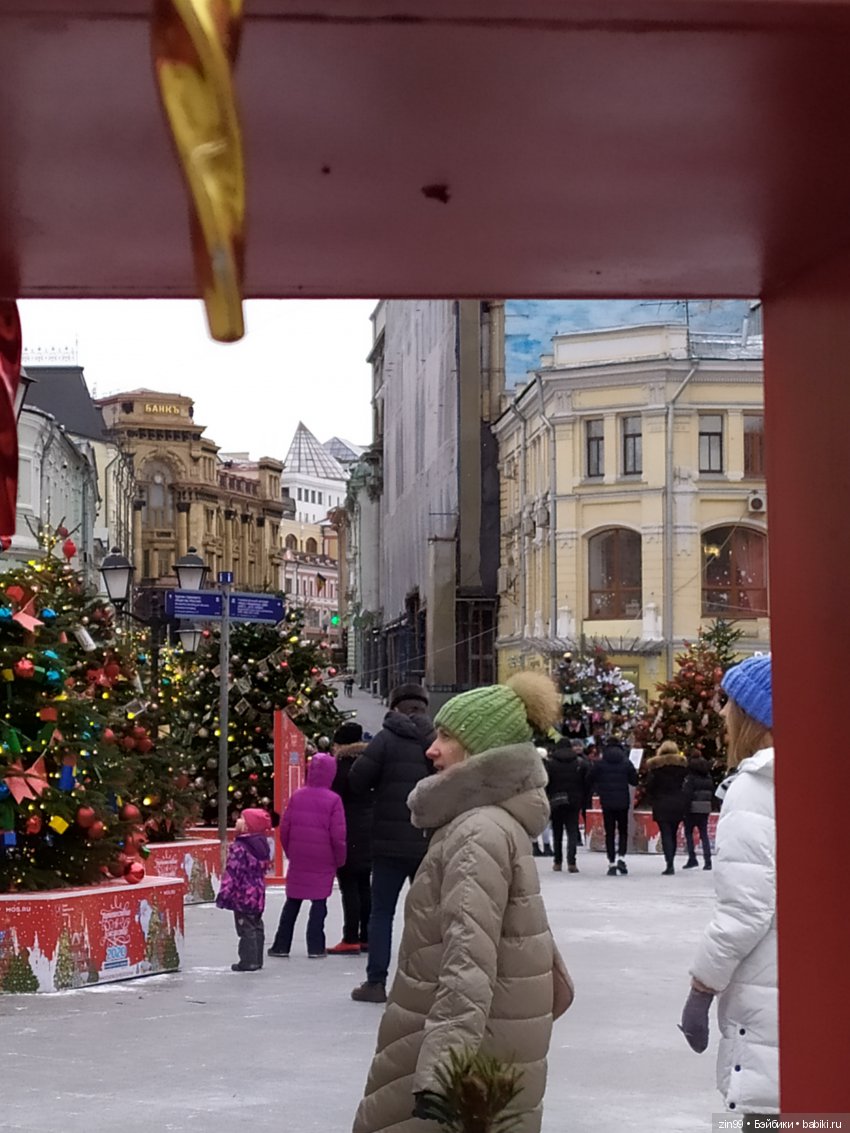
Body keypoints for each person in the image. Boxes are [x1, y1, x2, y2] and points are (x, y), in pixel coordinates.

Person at [352, 672, 574, 1133]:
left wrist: (439, 1073)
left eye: (448, 737)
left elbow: (467, 961)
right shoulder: (487, 825)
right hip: (485, 1043)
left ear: (482, 753)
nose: (431, 748)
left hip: (457, 1060)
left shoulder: (477, 833)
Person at [679, 654, 777, 1116]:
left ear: (754, 717)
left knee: (759, 1120)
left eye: (729, 703)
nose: (720, 714)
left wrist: (701, 989)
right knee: (815, 1117)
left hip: (767, 988)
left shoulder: (756, 786)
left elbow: (746, 910)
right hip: (800, 985)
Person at [347, 682, 434, 1003]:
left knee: (382, 913)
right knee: (427, 915)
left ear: (395, 706)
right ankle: (425, 984)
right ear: (423, 707)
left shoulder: (385, 740)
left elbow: (357, 781)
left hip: (386, 845)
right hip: (427, 843)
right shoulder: (436, 742)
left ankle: (375, 982)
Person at [268, 752, 347, 959]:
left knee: (292, 902)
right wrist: (339, 858)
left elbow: (285, 829)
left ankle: (281, 945)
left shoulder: (297, 796)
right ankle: (315, 946)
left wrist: (290, 852)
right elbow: (338, 835)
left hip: (299, 856)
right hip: (324, 857)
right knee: (319, 902)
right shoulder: (334, 800)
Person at [328, 720, 373, 955]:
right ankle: (367, 936)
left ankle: (350, 937)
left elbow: (334, 801)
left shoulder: (341, 767)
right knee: (365, 884)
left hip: (347, 829)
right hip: (369, 829)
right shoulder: (369, 764)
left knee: (349, 885)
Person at [215, 807, 272, 972]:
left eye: (241, 818)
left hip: (243, 894)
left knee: (245, 927)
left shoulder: (240, 847)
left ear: (248, 826)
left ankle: (248, 961)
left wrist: (224, 893)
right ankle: (257, 959)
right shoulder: (262, 845)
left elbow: (232, 871)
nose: (237, 820)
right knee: (256, 924)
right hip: (258, 893)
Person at [589, 735, 638, 875]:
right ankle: (621, 857)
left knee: (609, 832)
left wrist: (598, 787)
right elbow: (634, 781)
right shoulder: (626, 762)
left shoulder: (600, 763)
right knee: (623, 830)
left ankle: (611, 863)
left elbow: (590, 778)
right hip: (622, 800)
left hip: (607, 801)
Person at [644, 739, 688, 875]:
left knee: (666, 833)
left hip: (661, 803)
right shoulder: (682, 767)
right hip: (677, 803)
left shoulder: (656, 768)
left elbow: (649, 787)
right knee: (673, 833)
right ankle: (671, 860)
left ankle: (669, 863)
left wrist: (652, 799)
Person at [545, 738, 588, 872]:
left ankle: (557, 862)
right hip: (574, 800)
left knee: (557, 832)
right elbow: (586, 782)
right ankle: (572, 863)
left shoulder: (550, 764)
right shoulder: (579, 763)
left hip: (556, 800)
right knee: (572, 831)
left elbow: (546, 782)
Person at [682, 753, 714, 869]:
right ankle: (708, 860)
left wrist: (684, 809)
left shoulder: (690, 778)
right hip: (705, 808)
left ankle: (692, 858)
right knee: (704, 834)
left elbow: (687, 794)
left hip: (692, 809)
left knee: (689, 833)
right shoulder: (708, 777)